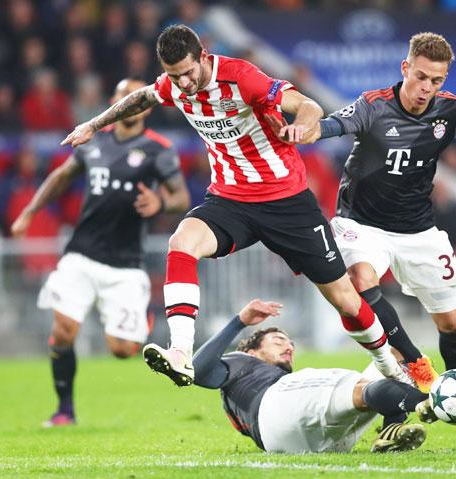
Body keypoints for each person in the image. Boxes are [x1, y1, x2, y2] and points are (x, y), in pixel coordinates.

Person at [61, 25, 418, 390]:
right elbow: (142, 98)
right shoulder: (171, 85)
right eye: (174, 75)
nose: (183, 83)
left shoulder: (242, 77)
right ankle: (181, 352)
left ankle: (390, 366)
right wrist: (94, 124)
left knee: (344, 298)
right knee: (182, 242)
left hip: (286, 202)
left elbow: (308, 105)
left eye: (188, 72)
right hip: (231, 199)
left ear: (203, 56)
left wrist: (302, 126)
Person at [267, 32, 456, 445]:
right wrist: (306, 133)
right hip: (362, 223)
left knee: (454, 325)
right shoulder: (373, 105)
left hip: (419, 230)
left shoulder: (448, 111)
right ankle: (417, 365)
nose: (427, 88)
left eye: (436, 81)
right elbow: (335, 124)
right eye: (421, 77)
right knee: (360, 279)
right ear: (405, 68)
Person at [11, 78, 191, 426]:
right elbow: (61, 178)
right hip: (81, 253)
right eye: (122, 95)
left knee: (122, 350)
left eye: (135, 97)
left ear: (146, 106)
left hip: (125, 265)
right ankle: (65, 410)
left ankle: (142, 322)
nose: (128, 101)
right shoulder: (93, 144)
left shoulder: (158, 149)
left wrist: (161, 202)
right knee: (64, 329)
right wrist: (30, 212)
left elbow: (181, 197)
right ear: (114, 102)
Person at [192, 298, 428, 453]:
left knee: (394, 358)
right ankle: (431, 403)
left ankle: (392, 434)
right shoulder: (242, 360)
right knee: (362, 387)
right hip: (277, 408)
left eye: (291, 344)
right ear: (252, 351)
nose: (289, 347)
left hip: (312, 440)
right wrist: (239, 322)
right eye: (278, 341)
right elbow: (198, 370)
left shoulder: (241, 384)